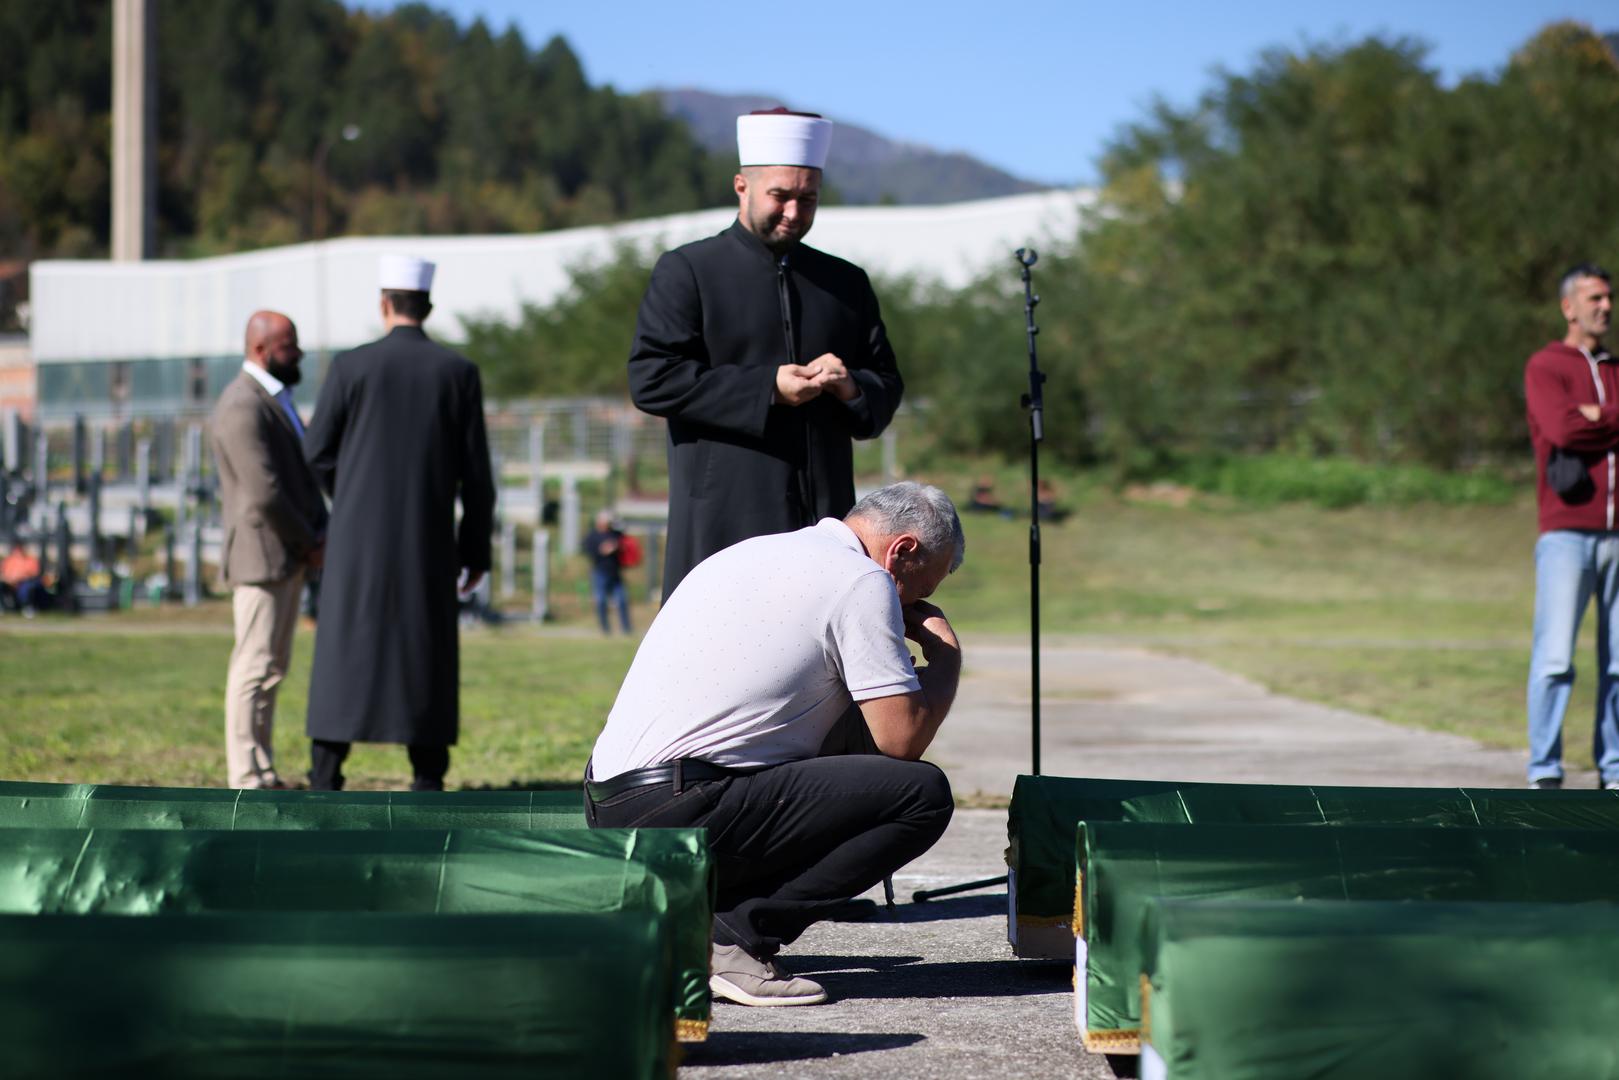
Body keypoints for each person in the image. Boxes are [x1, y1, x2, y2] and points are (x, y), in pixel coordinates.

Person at [585, 481, 964, 1006]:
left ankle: (694, 916)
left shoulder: (752, 551)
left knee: (850, 751)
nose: (915, 605)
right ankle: (732, 938)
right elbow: (901, 739)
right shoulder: (862, 580)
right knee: (921, 795)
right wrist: (945, 656)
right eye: (921, 589)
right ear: (902, 550)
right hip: (682, 808)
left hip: (612, 803)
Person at [628, 108, 904, 601]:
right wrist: (768, 388)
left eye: (808, 198)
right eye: (780, 196)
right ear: (742, 186)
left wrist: (850, 386)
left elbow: (885, 389)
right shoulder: (688, 270)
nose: (794, 212)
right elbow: (653, 378)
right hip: (723, 521)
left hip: (823, 525)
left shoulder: (846, 283)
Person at [303, 255, 495, 792]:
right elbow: (476, 475)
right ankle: (427, 775)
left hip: (355, 541)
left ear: (384, 304)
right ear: (427, 307)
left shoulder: (350, 367)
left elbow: (316, 452)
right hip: (427, 540)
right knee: (423, 647)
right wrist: (475, 550)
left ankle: (326, 772)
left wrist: (352, 497)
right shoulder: (457, 372)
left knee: (344, 646)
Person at [209, 311, 327, 789]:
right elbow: (265, 492)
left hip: (282, 553)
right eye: (287, 345)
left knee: (271, 668)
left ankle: (262, 767)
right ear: (260, 350)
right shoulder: (242, 405)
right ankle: (246, 774)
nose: (297, 354)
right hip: (262, 556)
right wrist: (310, 540)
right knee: (253, 666)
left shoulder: (271, 399)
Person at [1523, 262, 1619, 791]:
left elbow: (1581, 425)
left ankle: (1615, 772)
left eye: (1608, 298)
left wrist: (1596, 415)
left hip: (1618, 536)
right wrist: (1603, 418)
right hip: (1566, 533)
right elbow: (1561, 429)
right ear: (1569, 307)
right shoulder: (1546, 367)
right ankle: (1545, 773)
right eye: (1594, 298)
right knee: (1556, 657)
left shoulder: (1616, 370)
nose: (1605, 306)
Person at [581, 510, 631, 635]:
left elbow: (624, 542)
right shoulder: (593, 536)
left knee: (622, 600)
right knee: (601, 601)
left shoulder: (615, 534)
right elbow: (587, 549)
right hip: (600, 572)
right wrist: (602, 550)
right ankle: (605, 629)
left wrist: (616, 547)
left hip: (615, 572)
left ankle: (626, 629)